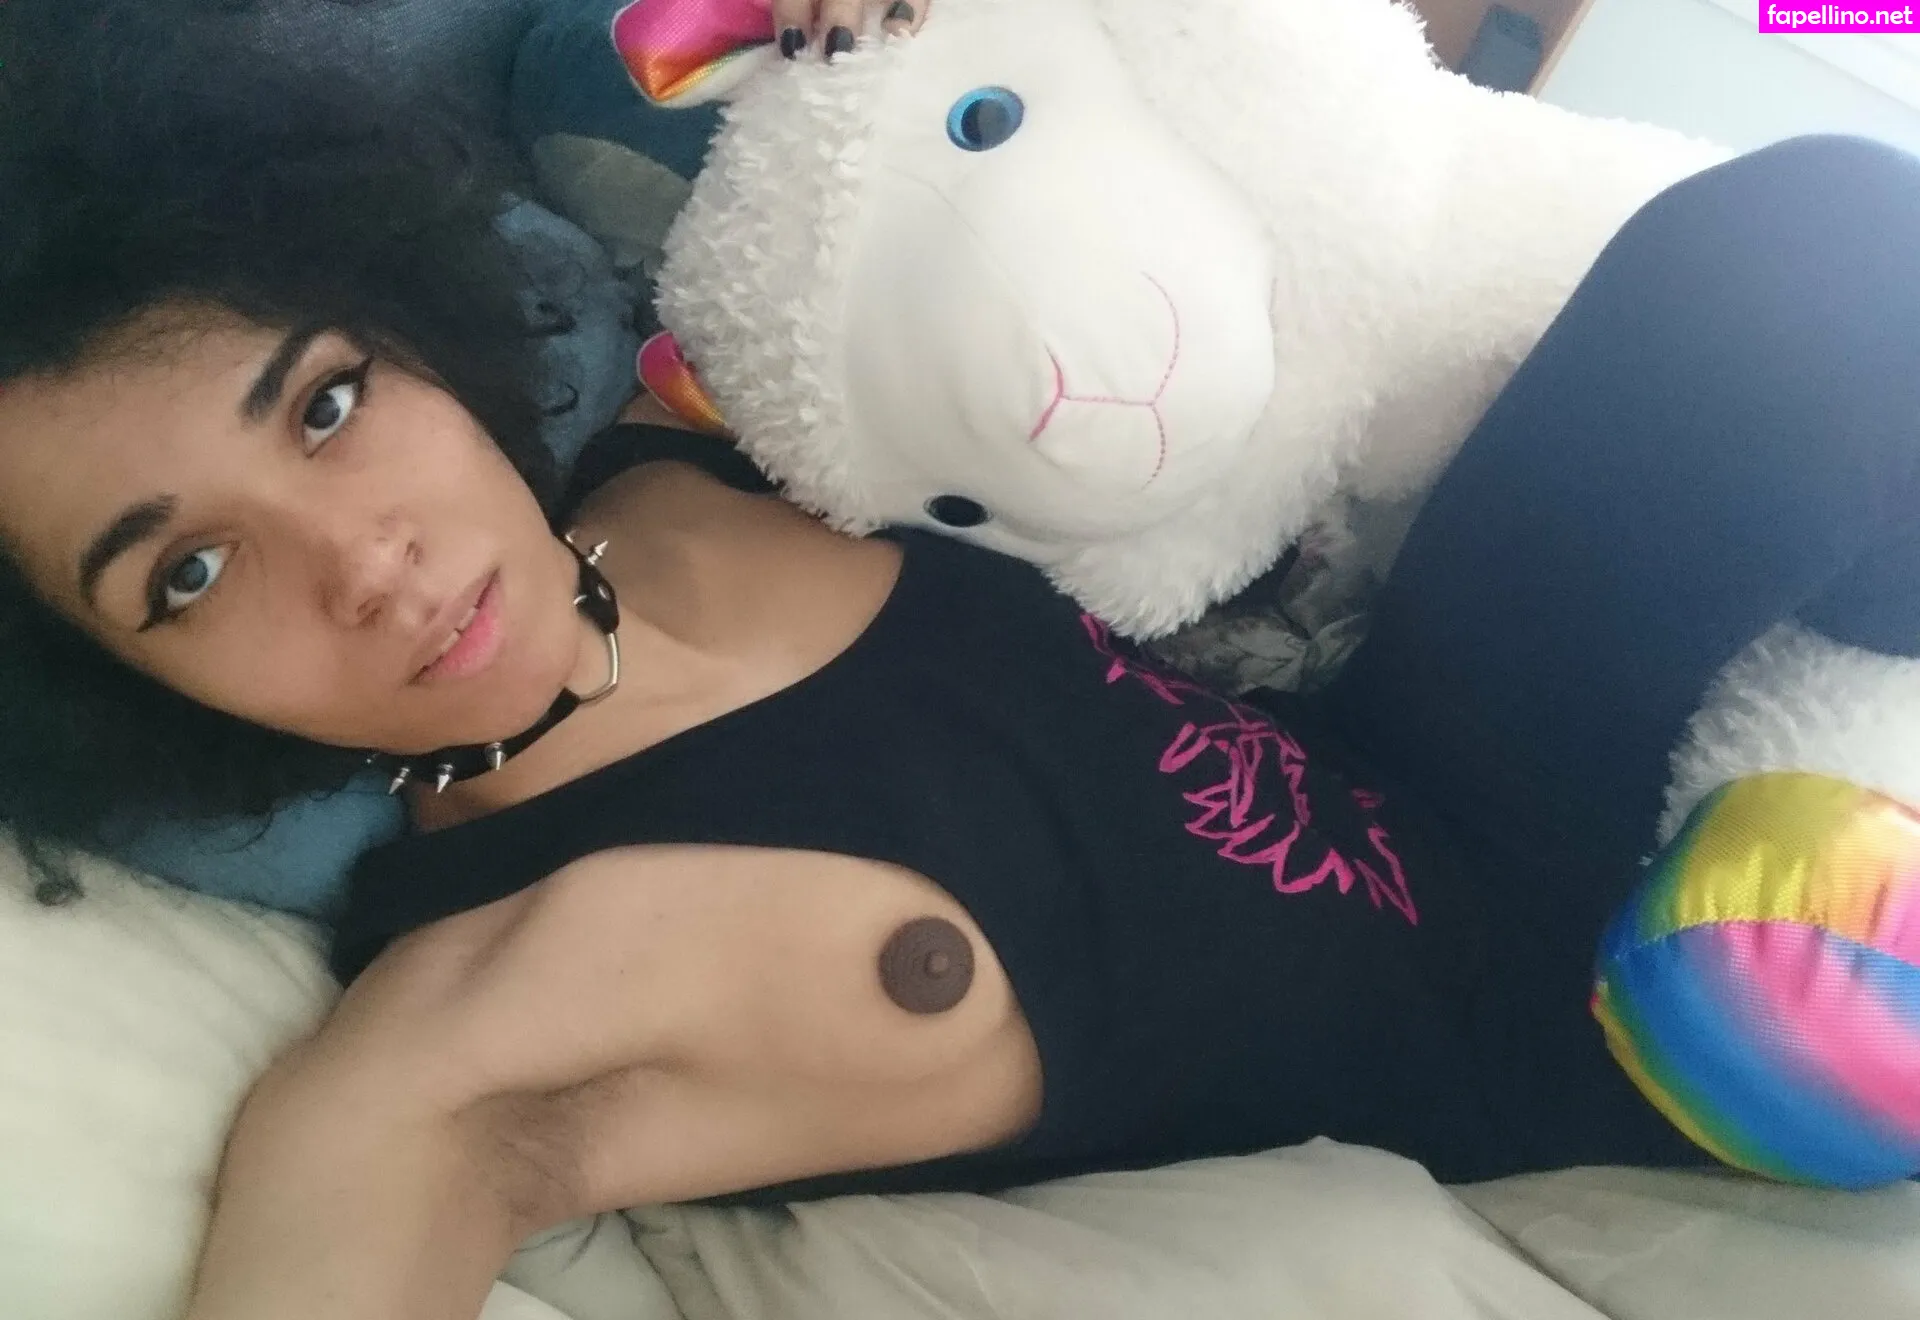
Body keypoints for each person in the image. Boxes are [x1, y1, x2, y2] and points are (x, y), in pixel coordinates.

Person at [2, 12, 1918, 1320]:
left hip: (1423, 760)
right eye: (186, 575)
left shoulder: (668, 461)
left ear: (410, 331)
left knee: (1818, 239)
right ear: (108, 687)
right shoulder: (467, 1030)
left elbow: (868, 173)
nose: (365, 563)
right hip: (1563, 1068)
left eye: (327, 405)